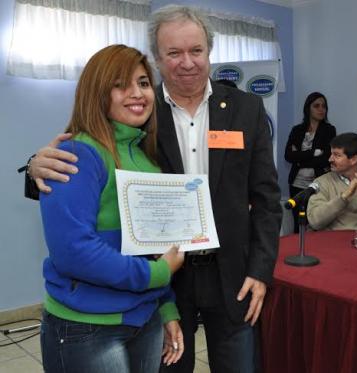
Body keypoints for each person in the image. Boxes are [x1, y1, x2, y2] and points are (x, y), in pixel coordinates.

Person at [25, 5, 282, 373]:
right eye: (173, 53)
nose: (187, 62)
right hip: (164, 279)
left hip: (233, 275)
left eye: (196, 51)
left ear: (210, 51)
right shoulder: (140, 108)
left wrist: (260, 270)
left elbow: (267, 199)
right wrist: (34, 167)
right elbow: (87, 162)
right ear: (158, 60)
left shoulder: (246, 109)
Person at [38, 44, 184, 373]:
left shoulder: (147, 159)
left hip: (144, 317)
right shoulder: (77, 154)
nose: (137, 93)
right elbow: (72, 251)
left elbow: (152, 247)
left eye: (144, 83)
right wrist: (157, 274)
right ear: (98, 92)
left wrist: (166, 309)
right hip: (87, 327)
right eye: (121, 84)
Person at [284, 92, 336, 233]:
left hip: (318, 184)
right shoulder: (297, 130)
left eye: (324, 106)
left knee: (316, 224)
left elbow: (325, 158)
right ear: (308, 108)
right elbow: (288, 156)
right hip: (296, 184)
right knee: (298, 223)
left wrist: (300, 159)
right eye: (316, 106)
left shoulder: (329, 130)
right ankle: (297, 253)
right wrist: (313, 153)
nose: (321, 109)